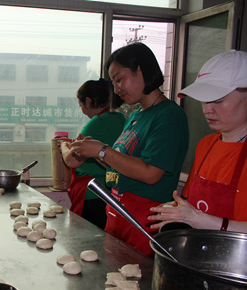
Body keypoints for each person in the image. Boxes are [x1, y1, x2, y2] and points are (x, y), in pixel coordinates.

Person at [69, 42, 189, 256]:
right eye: (113, 82)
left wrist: (101, 150)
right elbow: (123, 164)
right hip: (118, 212)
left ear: (141, 70)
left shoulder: (168, 115)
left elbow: (150, 173)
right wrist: (94, 152)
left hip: (144, 219)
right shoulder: (135, 116)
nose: (116, 89)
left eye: (119, 79)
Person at [148, 50, 247, 233]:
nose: (207, 109)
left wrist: (205, 222)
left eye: (217, 100)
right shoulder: (207, 145)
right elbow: (193, 203)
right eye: (203, 100)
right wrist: (179, 211)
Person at [60, 78, 125, 229]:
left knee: (88, 241)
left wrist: (64, 145)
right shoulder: (121, 119)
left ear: (88, 101)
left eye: (80, 105)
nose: (82, 110)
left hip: (92, 194)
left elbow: (72, 160)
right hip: (111, 193)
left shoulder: (97, 122)